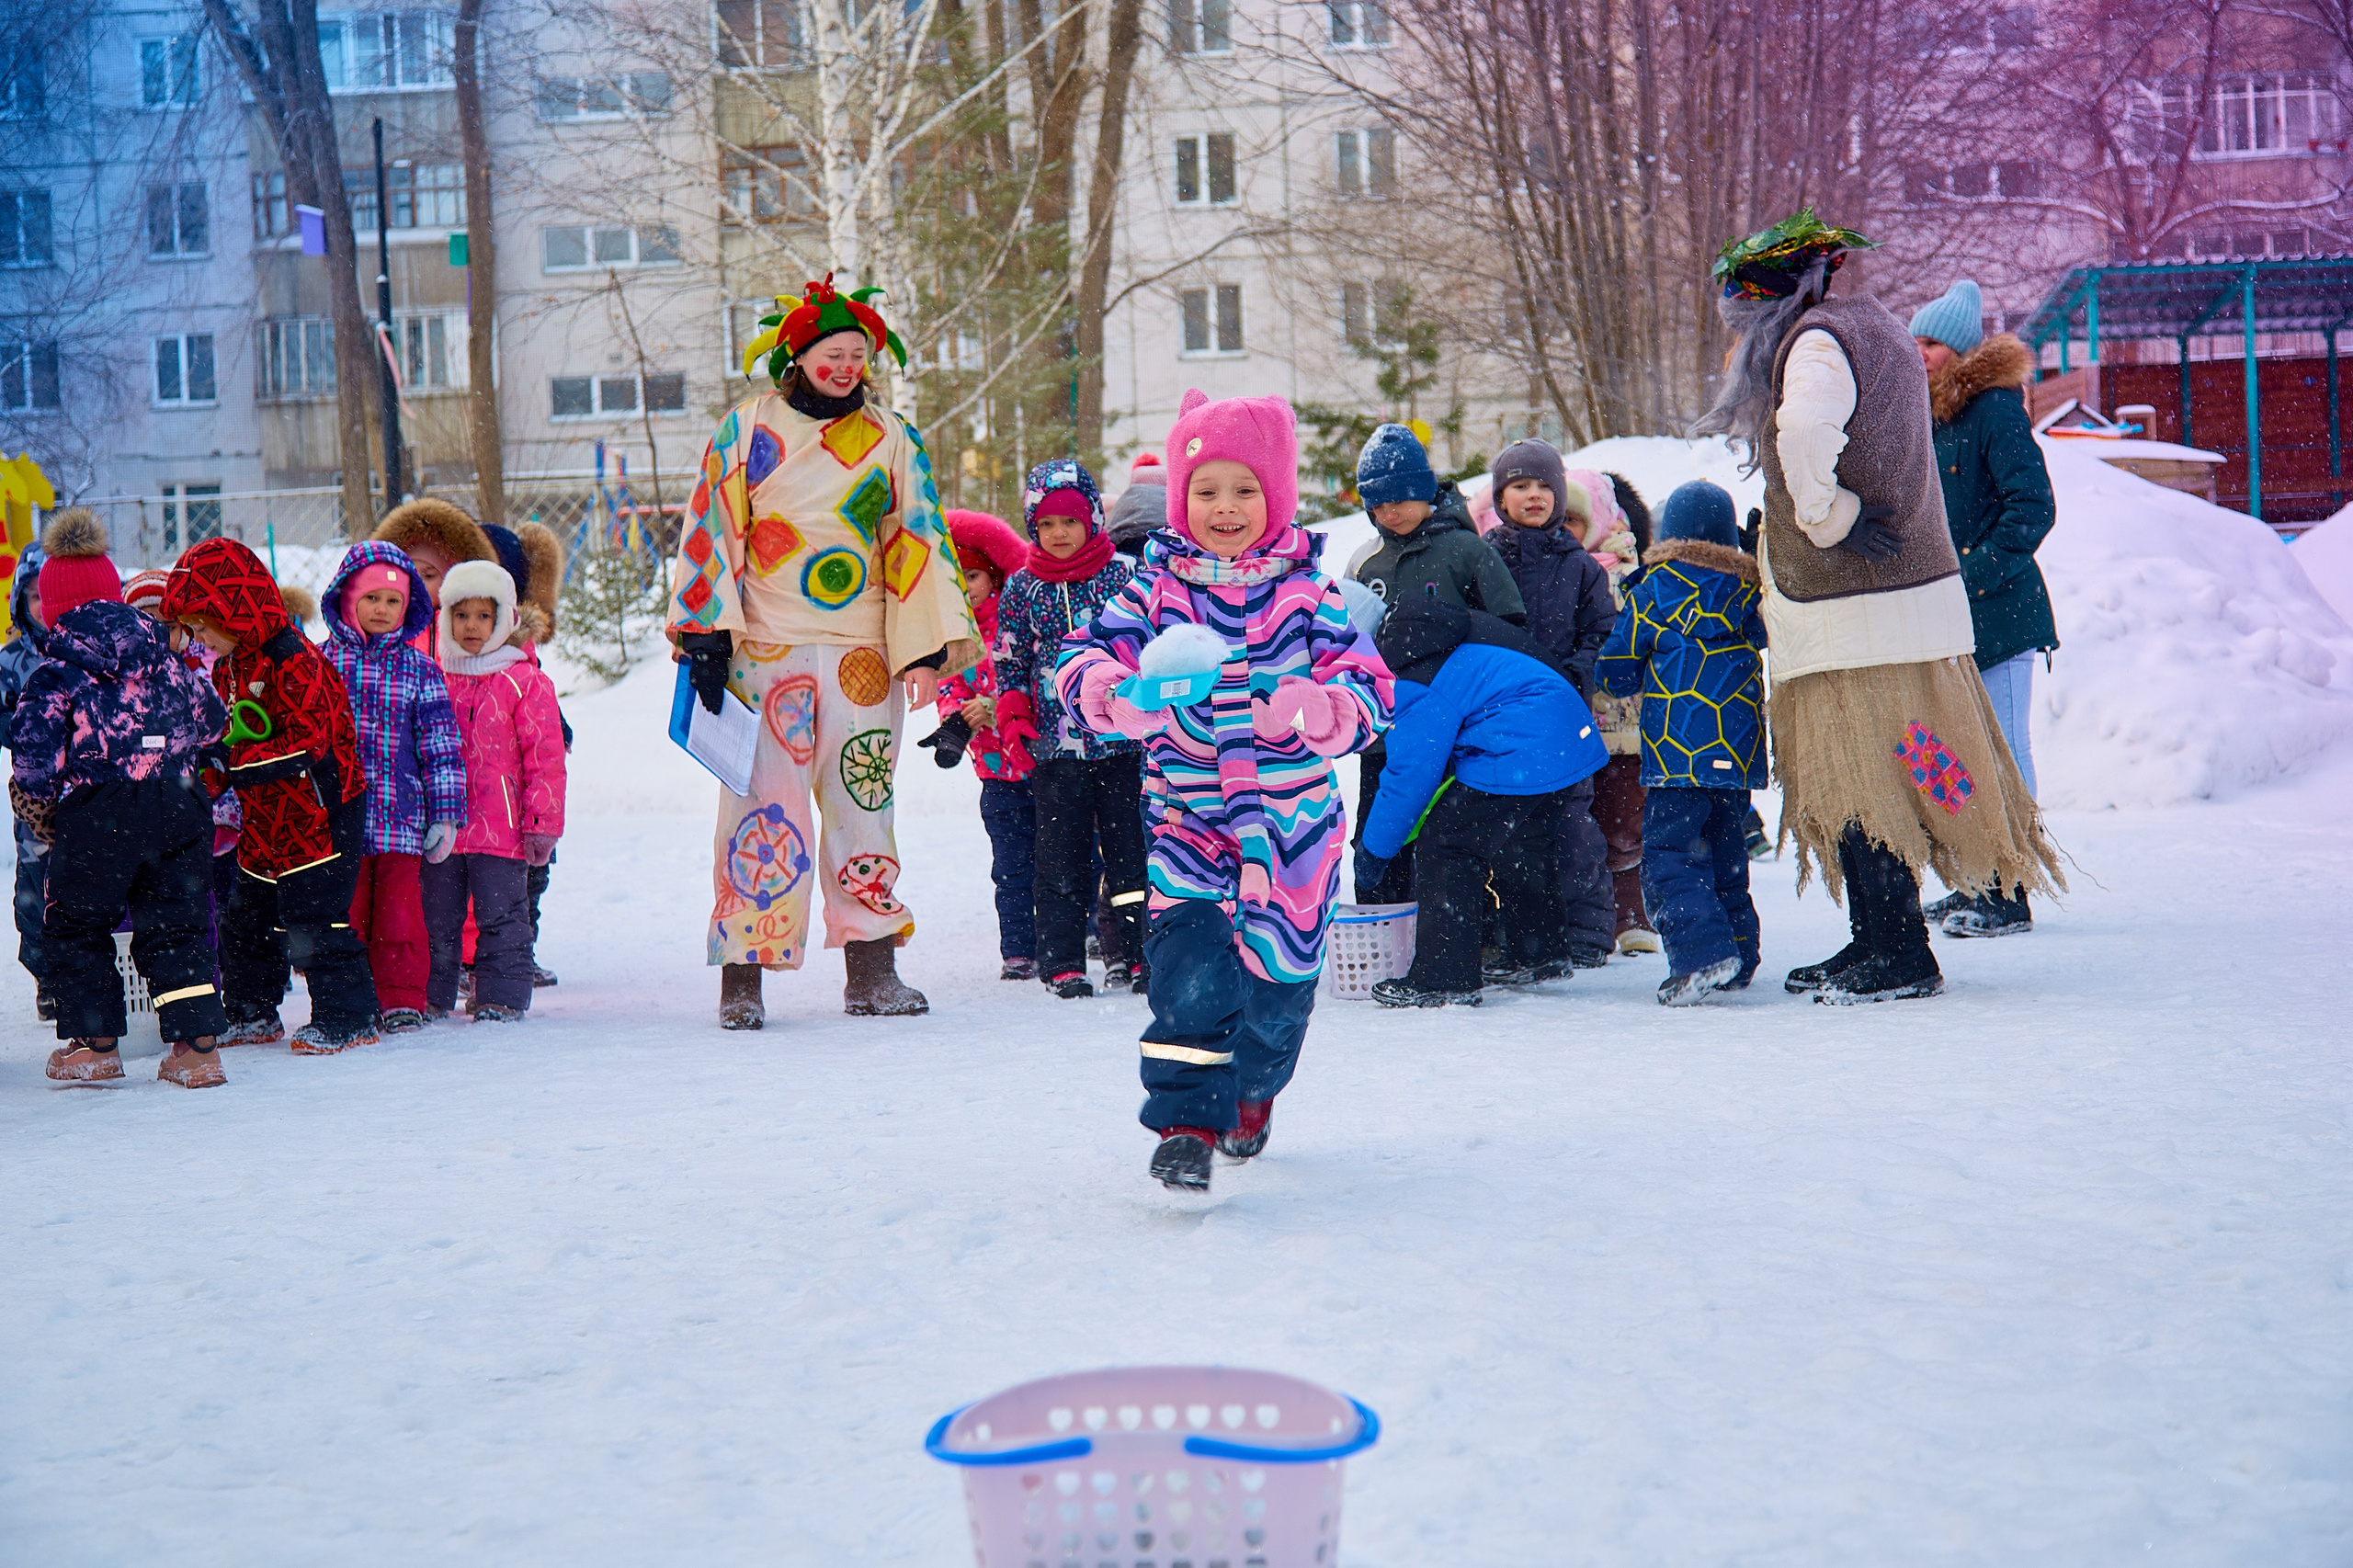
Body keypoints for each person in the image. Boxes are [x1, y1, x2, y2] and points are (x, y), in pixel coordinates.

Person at [1693, 209, 2058, 1004]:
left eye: (1741, 311)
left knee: (1853, 774)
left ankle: (1894, 949)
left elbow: (1805, 433)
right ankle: (1899, 928)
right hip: (1901, 603)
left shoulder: (1815, 343)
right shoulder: (1875, 327)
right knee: (1911, 763)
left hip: (1852, 610)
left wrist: (1830, 519)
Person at [1058, 391, 1393, 1194]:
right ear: (1181, 498)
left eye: (1245, 490)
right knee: (1190, 975)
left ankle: (1251, 1094)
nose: (1225, 507)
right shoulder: (1153, 593)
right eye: (1205, 490)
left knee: (1277, 998)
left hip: (1293, 833)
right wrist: (1115, 690)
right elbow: (1078, 658)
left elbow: (1371, 693)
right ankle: (1184, 1123)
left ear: (1274, 496)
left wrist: (1323, 708)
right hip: (1188, 821)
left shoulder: (1310, 597)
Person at [667, 274, 980, 1028]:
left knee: (863, 800)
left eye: (856, 355)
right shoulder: (745, 429)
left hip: (862, 653)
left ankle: (871, 969)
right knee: (756, 811)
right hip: (763, 649)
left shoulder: (894, 438)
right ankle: (743, 978)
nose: (844, 367)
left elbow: (918, 535)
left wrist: (925, 645)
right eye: (830, 354)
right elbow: (715, 527)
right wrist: (708, 634)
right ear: (797, 357)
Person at [14, 511, 232, 1086]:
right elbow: (213, 722)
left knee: (76, 926)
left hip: (97, 811)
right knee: (177, 924)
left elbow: (35, 756)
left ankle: (96, 1044)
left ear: (55, 608)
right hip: (177, 803)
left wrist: (38, 809)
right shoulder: (167, 657)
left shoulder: (56, 672)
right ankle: (197, 1047)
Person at [165, 536, 381, 1051]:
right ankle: (251, 1011)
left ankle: (349, 1016)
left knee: (314, 918)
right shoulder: (228, 666)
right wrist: (203, 777)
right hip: (265, 819)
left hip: (321, 813)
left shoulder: (295, 660)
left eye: (202, 626)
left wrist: (233, 764)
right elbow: (226, 738)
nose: (198, 640)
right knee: (247, 917)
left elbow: (308, 741)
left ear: (231, 611)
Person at [1355, 596, 1607, 1006]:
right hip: (1566, 739)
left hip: (1518, 746)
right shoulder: (1434, 630)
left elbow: (1411, 776)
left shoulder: (1407, 668)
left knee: (1447, 847)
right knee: (1523, 846)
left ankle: (1445, 979)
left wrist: (1375, 850)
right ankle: (1538, 953)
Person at [1909, 278, 2059, 939]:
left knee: (2001, 749)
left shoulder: (1995, 410)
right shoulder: (1928, 415)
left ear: (1963, 352)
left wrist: (1969, 576)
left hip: (2000, 614)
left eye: (1932, 343)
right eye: (1914, 339)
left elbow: (2033, 506)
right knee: (1948, 754)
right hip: (1946, 617)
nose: (1919, 352)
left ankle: (2009, 887)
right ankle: (1974, 875)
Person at [1597, 480, 1767, 1006]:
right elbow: (1764, 636)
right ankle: (1738, 954)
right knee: (1726, 851)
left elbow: (1619, 668)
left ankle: (1701, 957)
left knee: (1671, 853)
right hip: (1736, 749)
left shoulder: (1654, 590)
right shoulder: (1748, 590)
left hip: (1677, 751)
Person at [1347, 421, 1522, 904]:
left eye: (1399, 499)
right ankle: (1383, 923)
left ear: (1425, 491)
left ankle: (1459, 936)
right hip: (1385, 727)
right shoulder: (1365, 563)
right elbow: (1346, 637)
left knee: (1447, 837)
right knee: (1379, 830)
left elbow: (1506, 627)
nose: (1389, 512)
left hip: (1455, 727)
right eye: (1377, 504)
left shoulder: (1467, 551)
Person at [994, 460, 1149, 998]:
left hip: (1124, 742)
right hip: (1055, 747)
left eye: (1070, 523)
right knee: (1059, 853)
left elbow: (1145, 646)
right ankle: (1061, 959)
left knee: (1132, 853)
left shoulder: (1124, 577)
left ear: (1093, 520)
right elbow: (1009, 658)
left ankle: (1136, 953)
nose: (1060, 535)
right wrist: (1013, 713)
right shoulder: (1022, 587)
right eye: (1047, 526)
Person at [320, 542, 468, 1034]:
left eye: (394, 602)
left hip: (402, 818)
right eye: (372, 599)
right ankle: (352, 996)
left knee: (401, 917)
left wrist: (445, 814)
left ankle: (402, 996)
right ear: (347, 599)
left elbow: (440, 745)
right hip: (337, 817)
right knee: (347, 913)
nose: (382, 611)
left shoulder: (419, 670)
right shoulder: (321, 665)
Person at [1484, 440, 1618, 970]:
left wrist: (1575, 673)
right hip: (1504, 717)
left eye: (1544, 486)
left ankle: (1587, 933)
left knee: (1573, 824)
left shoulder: (1581, 566)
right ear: (1501, 497)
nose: (1533, 495)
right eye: (1520, 486)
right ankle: (1522, 936)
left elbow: (1603, 632)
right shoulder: (1487, 558)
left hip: (1566, 716)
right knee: (1510, 827)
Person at [425, 561, 565, 1021]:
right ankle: (434, 995)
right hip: (443, 826)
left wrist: (541, 825)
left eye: (483, 616)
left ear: (504, 619)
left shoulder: (523, 681)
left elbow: (545, 759)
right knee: (437, 919)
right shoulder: (434, 677)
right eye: (461, 615)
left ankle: (500, 996)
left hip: (502, 828)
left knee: (502, 916)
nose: (471, 626)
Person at [924, 507, 1041, 979]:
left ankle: (1074, 936)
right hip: (996, 773)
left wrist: (998, 705)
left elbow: (1036, 681)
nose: (966, 586)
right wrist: (956, 722)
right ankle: (1017, 948)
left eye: (972, 575)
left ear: (993, 577)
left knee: (1062, 859)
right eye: (956, 578)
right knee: (1011, 866)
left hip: (1043, 766)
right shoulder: (954, 640)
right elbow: (949, 689)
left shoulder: (1018, 626)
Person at [484, 520, 569, 987]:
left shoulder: (521, 639)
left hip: (519, 786)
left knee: (528, 875)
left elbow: (537, 691)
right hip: (480, 783)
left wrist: (560, 723)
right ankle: (473, 958)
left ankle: (519, 949)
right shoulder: (457, 636)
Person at [0, 535, 51, 1017]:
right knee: (35, 887)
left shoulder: (89, 649)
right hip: (35, 798)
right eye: (34, 594)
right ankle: (47, 975)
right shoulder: (12, 661)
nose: (45, 604)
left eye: (52, 591)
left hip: (93, 790)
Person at [374, 496, 495, 638]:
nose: (416, 584)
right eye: (408, 574)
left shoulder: (469, 629)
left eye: (429, 576)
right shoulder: (379, 627)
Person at [1106, 450, 1167, 563]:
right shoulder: (1167, 495)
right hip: (1164, 540)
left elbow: (1112, 529)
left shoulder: (1128, 498)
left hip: (1130, 540)